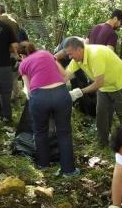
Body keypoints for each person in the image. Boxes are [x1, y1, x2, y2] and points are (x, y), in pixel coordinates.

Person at [18, 41, 78, 177]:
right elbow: (65, 74)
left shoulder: (23, 64)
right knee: (64, 133)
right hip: (61, 95)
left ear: (21, 55)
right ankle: (69, 170)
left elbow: (28, 91)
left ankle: (43, 164)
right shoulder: (46, 53)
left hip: (39, 97)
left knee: (40, 131)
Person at [63, 36, 122, 146]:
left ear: (79, 50)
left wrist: (79, 92)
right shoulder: (78, 59)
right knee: (101, 114)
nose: (70, 57)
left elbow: (99, 83)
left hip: (117, 84)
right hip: (104, 87)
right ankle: (103, 144)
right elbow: (66, 75)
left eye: (71, 54)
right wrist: (54, 87)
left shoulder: (95, 55)